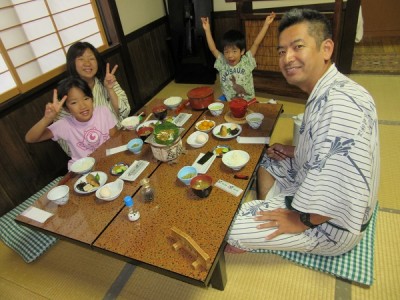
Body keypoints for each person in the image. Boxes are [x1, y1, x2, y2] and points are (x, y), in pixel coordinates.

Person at [226, 8, 380, 256]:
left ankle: (275, 221)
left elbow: (342, 191)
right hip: (310, 181)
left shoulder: (340, 108)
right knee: (265, 156)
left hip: (330, 226)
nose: (287, 58)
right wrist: (294, 150)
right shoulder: (332, 87)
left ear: (326, 49)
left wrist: (298, 221)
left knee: (227, 225)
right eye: (282, 51)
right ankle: (271, 210)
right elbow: (330, 149)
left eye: (298, 47)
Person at [26, 77, 117, 170]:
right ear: (66, 108)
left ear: (92, 99)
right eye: (74, 102)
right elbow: (30, 138)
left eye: (86, 98)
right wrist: (47, 119)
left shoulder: (103, 111)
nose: (83, 106)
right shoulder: (65, 124)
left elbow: (114, 139)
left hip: (107, 162)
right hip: (82, 171)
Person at [57, 41, 131, 154]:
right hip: (91, 153)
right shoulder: (66, 95)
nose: (87, 63)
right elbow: (66, 143)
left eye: (91, 58)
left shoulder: (107, 80)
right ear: (72, 63)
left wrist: (110, 89)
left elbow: (125, 112)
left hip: (119, 139)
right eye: (81, 59)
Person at [201, 12, 275, 101]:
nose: (230, 55)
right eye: (226, 52)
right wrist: (207, 30)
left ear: (242, 51)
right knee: (215, 105)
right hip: (228, 99)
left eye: (234, 51)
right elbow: (213, 49)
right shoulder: (222, 61)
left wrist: (266, 25)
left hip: (247, 100)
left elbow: (256, 43)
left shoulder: (246, 60)